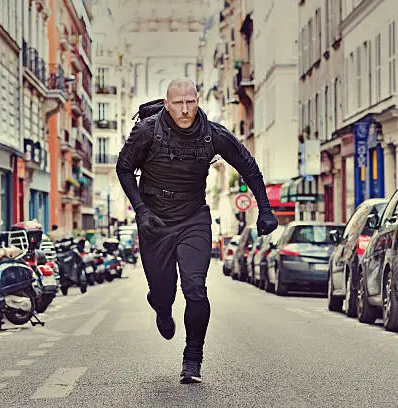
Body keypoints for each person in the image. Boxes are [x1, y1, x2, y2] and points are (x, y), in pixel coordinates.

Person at [116, 78, 278, 384]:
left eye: (190, 102)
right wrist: (141, 211)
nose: (185, 109)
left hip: (194, 218)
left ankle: (193, 360)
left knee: (195, 288)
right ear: (167, 104)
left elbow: (248, 166)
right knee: (163, 292)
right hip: (155, 222)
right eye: (178, 103)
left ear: (198, 100)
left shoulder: (212, 134)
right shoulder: (147, 131)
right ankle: (162, 307)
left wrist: (266, 209)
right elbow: (123, 168)